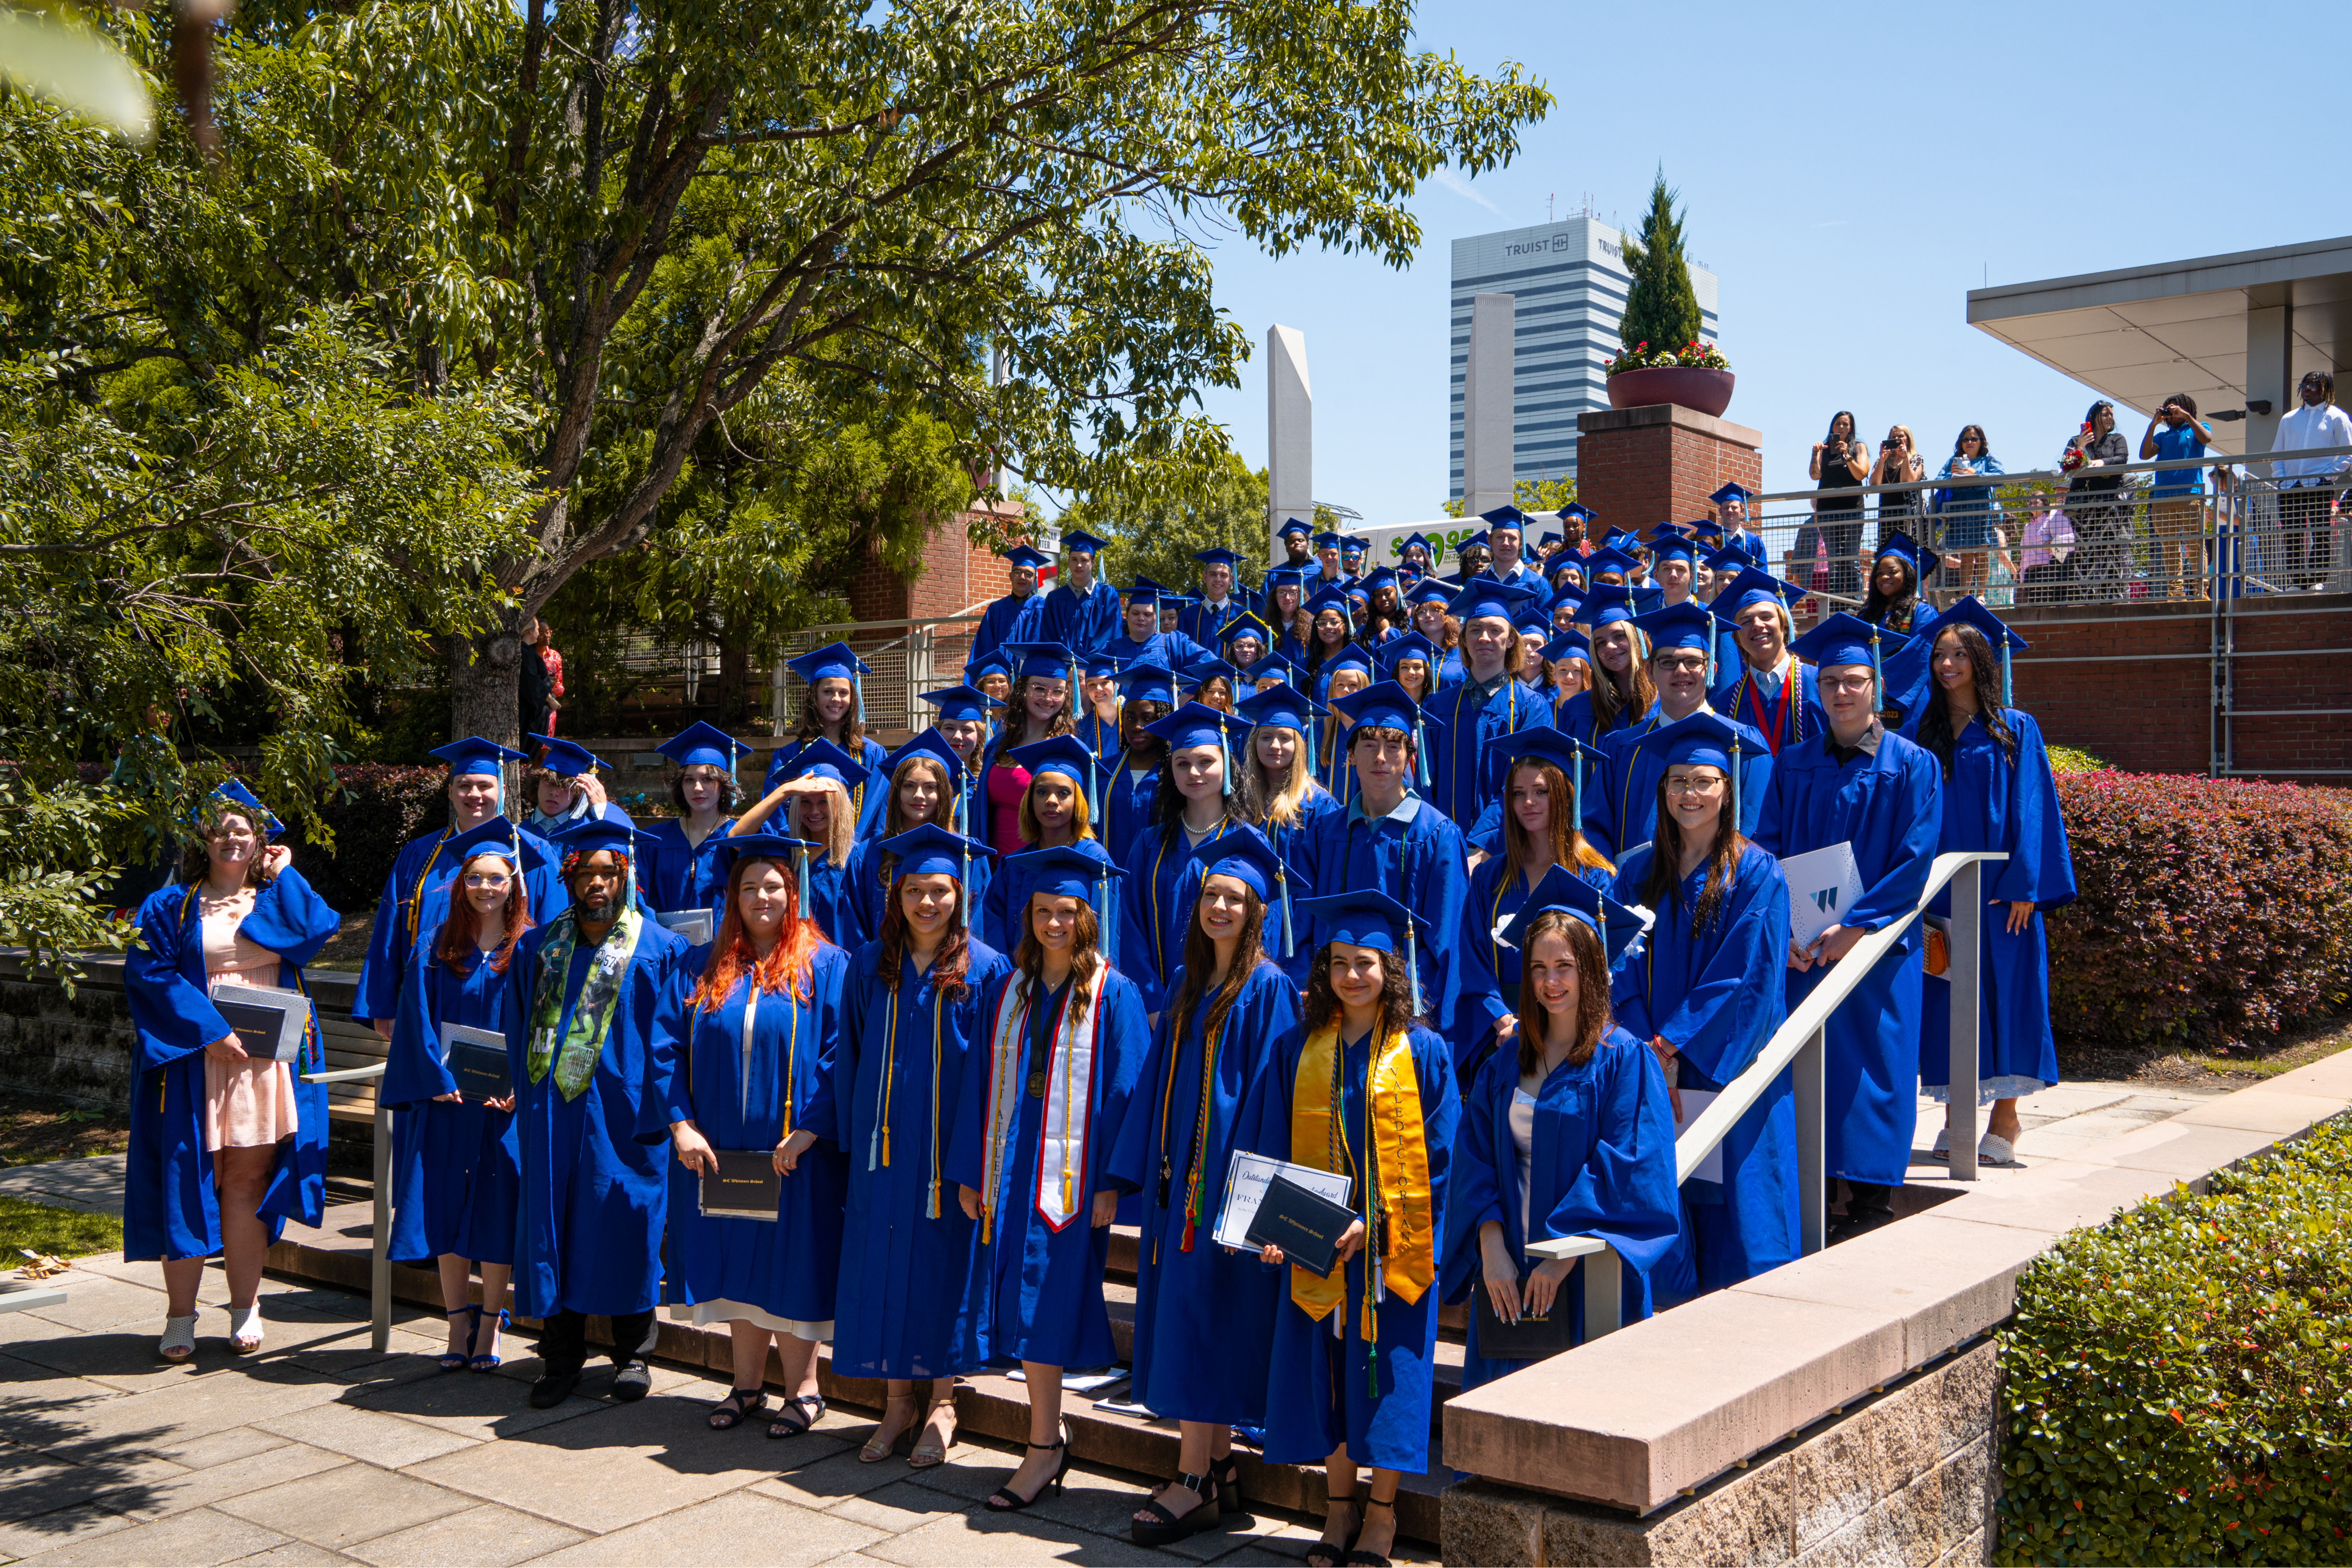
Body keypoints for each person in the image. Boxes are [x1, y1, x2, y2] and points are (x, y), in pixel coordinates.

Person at [1235, 889, 1458, 1568]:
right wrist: (1270, 1225)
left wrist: (1381, 1223)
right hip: (1318, 1247)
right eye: (1338, 963)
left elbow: (1444, 1162)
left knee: (1388, 1379)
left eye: (1365, 963)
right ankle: (1337, 1512)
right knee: (1327, 1374)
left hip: (1391, 1253)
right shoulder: (1298, 1047)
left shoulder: (1422, 1051)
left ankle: (1382, 1516)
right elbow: (1269, 1142)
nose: (1351, 976)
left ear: (1390, 970)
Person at [1109, 830, 1301, 1545]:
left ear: (1256, 911)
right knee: (1193, 1315)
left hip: (1227, 1191)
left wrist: (1253, 1203)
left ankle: (1190, 1478)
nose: (1219, 906)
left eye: (1234, 898)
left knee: (1208, 1319)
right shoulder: (1189, 985)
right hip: (1175, 1189)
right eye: (1210, 896)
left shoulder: (1269, 987)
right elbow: (1155, 1082)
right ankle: (1215, 1467)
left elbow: (1272, 1100)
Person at [947, 847, 1151, 1511]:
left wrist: (1111, 1183)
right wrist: (970, 1171)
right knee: (1022, 1303)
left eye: (1067, 912)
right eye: (1043, 911)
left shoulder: (1113, 993)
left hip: (1072, 1173)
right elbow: (977, 1079)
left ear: (1088, 918)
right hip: (1009, 1163)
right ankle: (1046, 1436)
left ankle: (1043, 1448)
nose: (1054, 923)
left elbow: (1127, 1092)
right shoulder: (1008, 989)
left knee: (1047, 1302)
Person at [123, 783, 341, 1361]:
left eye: (243, 831)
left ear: (259, 841)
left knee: (246, 1182)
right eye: (221, 830)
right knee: (190, 1179)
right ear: (204, 838)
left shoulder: (271, 898)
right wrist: (208, 1030)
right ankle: (179, 1316)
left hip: (265, 1062)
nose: (233, 839)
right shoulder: (171, 904)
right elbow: (149, 973)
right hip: (197, 1059)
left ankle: (245, 1307)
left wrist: (287, 871)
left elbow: (316, 929)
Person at [1443, 869, 1678, 1392]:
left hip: (1586, 1266)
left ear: (1592, 969)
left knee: (1582, 1406)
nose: (1551, 981)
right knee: (1504, 1413)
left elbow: (1629, 1162)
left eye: (1565, 966)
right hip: (1508, 1263)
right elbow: (1474, 1156)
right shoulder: (1504, 1063)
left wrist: (1561, 1253)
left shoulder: (1625, 1060)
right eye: (1538, 967)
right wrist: (1491, 1244)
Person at [650, 831, 850, 1439]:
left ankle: (804, 1390)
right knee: (737, 1263)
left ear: (793, 894)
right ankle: (745, 1385)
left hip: (793, 1153)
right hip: (717, 1150)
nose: (760, 896)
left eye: (773, 886)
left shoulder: (826, 964)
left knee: (790, 1266)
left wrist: (809, 1131)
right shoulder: (700, 964)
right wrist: (680, 1126)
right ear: (731, 896)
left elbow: (840, 1054)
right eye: (748, 887)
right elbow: (664, 1049)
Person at [1754, 615, 1941, 1244]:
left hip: (1876, 947)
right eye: (1829, 681)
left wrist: (1855, 929)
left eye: (1853, 681)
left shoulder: (1911, 764)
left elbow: (1913, 859)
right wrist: (1790, 931)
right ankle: (1818, 1185)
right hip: (1804, 948)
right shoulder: (1792, 764)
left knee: (1873, 1063)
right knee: (1812, 1061)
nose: (1840, 692)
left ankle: (1868, 1197)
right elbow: (1768, 851)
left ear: (1875, 684)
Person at [834, 825, 1010, 1465]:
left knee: (942, 1271)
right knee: (881, 1268)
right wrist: (847, 1140)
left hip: (943, 1156)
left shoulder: (988, 969)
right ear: (897, 893)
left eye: (939, 890)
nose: (927, 902)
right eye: (915, 890)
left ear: (959, 894)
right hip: (882, 1153)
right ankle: (896, 1401)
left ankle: (941, 1402)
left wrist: (974, 1161)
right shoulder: (867, 962)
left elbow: (996, 1073)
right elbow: (847, 1056)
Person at [1610, 711, 1798, 1291]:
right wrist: (1645, 1043)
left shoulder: (1755, 871)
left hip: (1721, 1060)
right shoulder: (1636, 870)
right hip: (1651, 1057)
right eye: (1677, 782)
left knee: (1740, 1198)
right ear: (1661, 789)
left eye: (1703, 781)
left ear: (1727, 787)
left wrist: (1670, 1042)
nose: (1689, 793)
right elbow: (1617, 964)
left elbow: (1744, 973)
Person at [512, 815, 688, 1407]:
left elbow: (672, 1038)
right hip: (551, 1115)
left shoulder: (659, 948)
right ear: (568, 876)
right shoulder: (541, 946)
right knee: (554, 1226)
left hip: (627, 1112)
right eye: (584, 872)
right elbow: (513, 1029)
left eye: (607, 873)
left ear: (625, 877)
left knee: (626, 1224)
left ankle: (633, 1352)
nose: (596, 883)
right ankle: (559, 1358)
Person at [1908, 602, 2077, 1167]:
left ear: (1981, 661)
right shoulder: (1922, 733)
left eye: (1958, 653)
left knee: (2008, 993)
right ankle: (1959, 1112)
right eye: (1938, 654)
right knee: (1945, 994)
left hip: (2000, 892)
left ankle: (2006, 1114)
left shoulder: (2014, 727)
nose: (1946, 663)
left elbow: (2033, 804)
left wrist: (2026, 883)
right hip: (1939, 891)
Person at [384, 819, 538, 1372]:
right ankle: (456, 1324)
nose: (485, 887)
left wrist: (522, 1085)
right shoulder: (435, 943)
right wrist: (436, 1076)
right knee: (445, 1209)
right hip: (446, 1101)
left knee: (497, 1210)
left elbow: (543, 1025)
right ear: (461, 883)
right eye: (475, 877)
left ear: (513, 884)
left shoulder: (532, 947)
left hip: (503, 1109)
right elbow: (415, 1018)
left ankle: (491, 1325)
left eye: (496, 878)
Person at [354, 739, 565, 1043]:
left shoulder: (534, 854)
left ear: (503, 791)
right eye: (464, 785)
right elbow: (390, 930)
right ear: (451, 792)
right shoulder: (419, 853)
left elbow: (553, 936)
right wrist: (382, 1004)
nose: (475, 795)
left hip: (505, 1001)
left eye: (485, 785)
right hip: (426, 1000)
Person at [1300, 683, 1469, 1040]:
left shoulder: (1437, 834)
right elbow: (1303, 925)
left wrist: (1409, 1006)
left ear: (1411, 756)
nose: (1380, 758)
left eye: (1394, 747)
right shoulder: (1325, 831)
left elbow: (1447, 941)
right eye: (1369, 745)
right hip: (1331, 1009)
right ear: (1350, 755)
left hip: (1406, 1018)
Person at [1455, 729, 1615, 1084]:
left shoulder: (1594, 878)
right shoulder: (1489, 878)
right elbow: (1473, 959)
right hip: (1501, 1034)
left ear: (1564, 795)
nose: (1528, 802)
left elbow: (1603, 964)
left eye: (1541, 791)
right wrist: (1505, 1021)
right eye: (1518, 794)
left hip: (1573, 1032)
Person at [1590, 603, 1771, 860]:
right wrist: (1616, 887)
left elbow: (1759, 833)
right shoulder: (1623, 746)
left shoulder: (1744, 745)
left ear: (1712, 670)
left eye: (1693, 661)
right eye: (1668, 662)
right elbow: (1595, 826)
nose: (1681, 671)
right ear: (1650, 671)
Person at [1119, 703, 1258, 1021]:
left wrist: (1224, 1002)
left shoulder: (1247, 843)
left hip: (1224, 1009)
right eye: (1182, 763)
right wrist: (1153, 1003)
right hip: (1155, 1013)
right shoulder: (1148, 843)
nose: (1193, 773)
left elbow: (1259, 932)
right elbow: (1129, 925)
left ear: (1227, 764)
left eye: (1206, 761)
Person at [1424, 577, 1546, 828]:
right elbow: (1426, 782)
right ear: (1465, 641)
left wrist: (1484, 848)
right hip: (1444, 844)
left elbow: (1527, 786)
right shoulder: (1438, 706)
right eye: (1475, 630)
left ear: (1511, 640)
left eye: (1495, 630)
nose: (1484, 638)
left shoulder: (1531, 707)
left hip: (1508, 847)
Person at [844, 735, 983, 943]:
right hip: (881, 970)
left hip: (950, 970)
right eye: (909, 786)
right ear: (896, 792)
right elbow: (854, 927)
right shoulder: (867, 855)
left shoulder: (966, 853)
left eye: (930, 787)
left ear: (944, 793)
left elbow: (979, 922)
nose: (919, 795)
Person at [981, 734, 1111, 955]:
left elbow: (1106, 932)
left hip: (1079, 980)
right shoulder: (1015, 865)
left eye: (1063, 793)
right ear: (1030, 800)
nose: (1051, 800)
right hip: (1020, 982)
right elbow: (993, 930)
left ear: (1078, 801)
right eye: (1042, 792)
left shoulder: (1097, 862)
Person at [735, 740, 867, 948]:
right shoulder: (784, 846)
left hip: (841, 967)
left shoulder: (858, 857)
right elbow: (737, 837)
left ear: (839, 804)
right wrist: (783, 792)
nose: (814, 811)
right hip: (788, 963)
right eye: (805, 802)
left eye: (824, 801)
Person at [640, 722, 755, 928]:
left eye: (707, 779)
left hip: (721, 950)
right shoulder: (654, 841)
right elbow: (640, 897)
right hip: (665, 950)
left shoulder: (738, 839)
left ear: (724, 783)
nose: (697, 788)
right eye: (689, 780)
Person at [1707, 569, 1826, 759]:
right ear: (1736, 637)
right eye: (1745, 621)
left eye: (1766, 617)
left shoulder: (1820, 685)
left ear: (1784, 625)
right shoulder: (1727, 703)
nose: (1757, 625)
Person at [976, 643, 1078, 857]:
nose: (1048, 698)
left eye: (1058, 691)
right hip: (993, 869)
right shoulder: (998, 745)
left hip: (1040, 868)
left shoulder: (1066, 750)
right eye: (1039, 689)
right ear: (1023, 690)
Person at [767, 643, 889, 813]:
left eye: (844, 693)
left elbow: (879, 811)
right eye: (828, 691)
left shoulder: (871, 754)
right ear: (814, 696)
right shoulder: (788, 756)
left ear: (853, 698)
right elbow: (775, 815)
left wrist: (856, 841)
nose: (836, 699)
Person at [2275, 370, 2350, 591]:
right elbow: (2277, 452)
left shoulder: (2337, 416)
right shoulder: (2289, 418)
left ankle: (2317, 580)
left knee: (2320, 534)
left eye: (2313, 385)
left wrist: (2328, 476)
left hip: (2319, 484)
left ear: (2325, 388)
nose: (2307, 389)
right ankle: (2297, 583)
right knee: (2292, 536)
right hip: (2290, 485)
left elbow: (2348, 453)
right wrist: (2281, 479)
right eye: (2304, 385)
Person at [1859, 532, 1943, 726]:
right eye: (1879, 573)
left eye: (1892, 571)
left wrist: (1870, 679)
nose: (1884, 577)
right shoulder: (1867, 615)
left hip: (1908, 698)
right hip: (1868, 696)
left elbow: (1918, 655)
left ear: (1908, 574)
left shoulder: (1922, 612)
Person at [2137, 395, 2214, 601]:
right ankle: (2176, 591)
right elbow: (2144, 455)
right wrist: (2154, 424)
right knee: (2170, 546)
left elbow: (2207, 439)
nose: (2172, 414)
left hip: (2191, 494)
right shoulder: (2163, 436)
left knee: (2195, 543)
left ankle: (2200, 589)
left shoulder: (2198, 426)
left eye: (2175, 409)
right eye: (2169, 411)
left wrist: (2187, 416)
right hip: (2163, 497)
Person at [1099, 662, 1175, 865]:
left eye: (1148, 718)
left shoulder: (1176, 773)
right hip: (1107, 886)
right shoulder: (1103, 771)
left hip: (1157, 882)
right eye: (1130, 718)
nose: (1138, 726)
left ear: (1164, 719)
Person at [1557, 590, 1655, 746]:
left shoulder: (1663, 702)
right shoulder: (1576, 708)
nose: (1609, 646)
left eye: (1619, 636)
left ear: (1638, 637)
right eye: (1601, 643)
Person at [2061, 401, 2131, 599]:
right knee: (2086, 548)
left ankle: (2111, 596)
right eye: (2105, 414)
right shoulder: (2076, 440)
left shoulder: (2117, 438)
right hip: (2083, 503)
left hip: (2109, 501)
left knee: (2110, 548)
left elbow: (2122, 458)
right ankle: (2086, 596)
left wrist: (2102, 462)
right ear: (2093, 417)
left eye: (2111, 415)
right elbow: (2067, 465)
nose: (2110, 418)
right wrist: (2080, 446)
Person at [1930, 426, 2006, 596]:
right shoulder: (1953, 460)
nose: (1970, 442)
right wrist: (1951, 475)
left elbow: (2001, 478)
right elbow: (1938, 480)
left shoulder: (1988, 459)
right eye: (1966, 439)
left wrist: (1976, 473)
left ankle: (1980, 596)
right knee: (1965, 555)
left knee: (1981, 553)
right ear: (1961, 442)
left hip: (1981, 510)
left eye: (1974, 439)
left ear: (1982, 441)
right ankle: (1965, 595)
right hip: (1960, 510)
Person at [1801, 413, 1869, 598]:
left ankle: (1855, 600)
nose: (1841, 428)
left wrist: (1847, 456)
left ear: (1851, 428)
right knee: (1834, 560)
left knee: (1850, 557)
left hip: (1852, 510)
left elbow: (1861, 474)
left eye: (1845, 424)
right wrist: (1815, 455)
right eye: (1837, 424)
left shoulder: (1859, 447)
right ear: (1832, 427)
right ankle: (1837, 602)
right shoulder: (1824, 450)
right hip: (1827, 510)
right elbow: (1815, 475)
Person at [521, 736, 631, 841]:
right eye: (549, 782)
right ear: (537, 783)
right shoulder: (518, 833)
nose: (555, 793)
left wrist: (601, 807)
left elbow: (629, 841)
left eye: (566, 786)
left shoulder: (585, 832)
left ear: (577, 792)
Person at [1041, 528, 1124, 652]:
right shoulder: (1054, 599)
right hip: (1061, 667)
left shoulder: (1107, 595)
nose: (1079, 565)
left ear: (1094, 562)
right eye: (1074, 560)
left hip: (1096, 667)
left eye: (1084, 560)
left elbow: (1111, 636)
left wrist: (1084, 664)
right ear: (1069, 562)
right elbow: (1048, 638)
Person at [969, 545, 1053, 662]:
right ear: (1010, 576)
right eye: (1018, 572)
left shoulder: (1044, 609)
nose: (1023, 577)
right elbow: (983, 650)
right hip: (1001, 677)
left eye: (1029, 574)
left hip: (1032, 677)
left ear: (1035, 580)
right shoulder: (996, 610)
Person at [1181, 548, 1250, 647]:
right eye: (1213, 575)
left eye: (1224, 576)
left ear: (1231, 580)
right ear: (1205, 577)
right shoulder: (1188, 615)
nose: (1218, 580)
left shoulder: (1242, 615)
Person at [1870, 425, 1925, 532]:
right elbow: (1874, 483)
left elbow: (1907, 481)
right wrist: (1882, 460)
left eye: (1900, 437)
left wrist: (1905, 457)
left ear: (1908, 440)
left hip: (1909, 514)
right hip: (1887, 513)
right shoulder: (1882, 461)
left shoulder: (1916, 459)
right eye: (1893, 437)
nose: (1896, 440)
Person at [1073, 650, 1124, 756]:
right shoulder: (1082, 727)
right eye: (1092, 685)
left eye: (1105, 682)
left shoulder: (1131, 715)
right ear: (1086, 690)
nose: (1098, 689)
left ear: (1117, 685)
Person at [1709, 484, 1766, 569]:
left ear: (1742, 511)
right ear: (1720, 511)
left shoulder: (1754, 542)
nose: (1730, 510)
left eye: (1734, 507)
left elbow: (1762, 573)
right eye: (1726, 508)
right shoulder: (1713, 539)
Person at [517, 615, 553, 741]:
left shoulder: (527, 651)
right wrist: (550, 699)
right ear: (530, 631)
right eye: (538, 629)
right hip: (529, 715)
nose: (539, 633)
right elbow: (531, 681)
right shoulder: (525, 652)